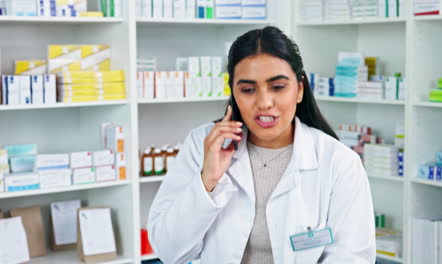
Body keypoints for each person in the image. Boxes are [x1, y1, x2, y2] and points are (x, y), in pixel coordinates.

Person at [148, 26, 376, 264]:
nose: (264, 102)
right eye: (248, 90)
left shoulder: (339, 162)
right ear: (233, 92)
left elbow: (351, 257)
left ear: (299, 89)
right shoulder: (201, 145)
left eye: (278, 87)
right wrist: (207, 181)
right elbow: (169, 251)